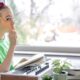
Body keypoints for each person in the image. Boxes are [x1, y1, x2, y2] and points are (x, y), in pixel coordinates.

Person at [0, 2, 17, 72]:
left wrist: (23, 64)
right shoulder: (10, 42)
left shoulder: (6, 40)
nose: (13, 22)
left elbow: (9, 67)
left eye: (12, 18)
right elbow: (2, 73)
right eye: (8, 18)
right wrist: (12, 45)